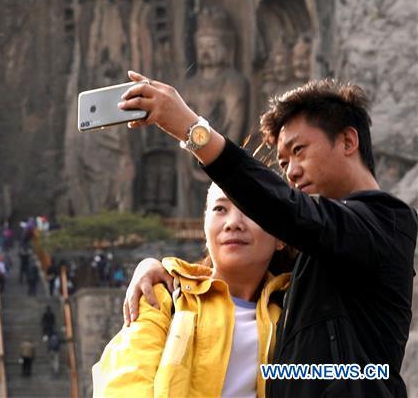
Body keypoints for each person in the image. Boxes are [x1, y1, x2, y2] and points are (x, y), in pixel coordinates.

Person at [119, 73, 417, 397]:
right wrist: (158, 268)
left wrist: (193, 130)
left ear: (348, 141)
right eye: (284, 161)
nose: (291, 172)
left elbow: (291, 213)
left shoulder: (388, 222)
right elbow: (241, 271)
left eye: (299, 150)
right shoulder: (298, 275)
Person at [93, 183, 290, 396]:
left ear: (280, 236)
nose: (233, 223)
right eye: (220, 209)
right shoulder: (165, 297)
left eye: (250, 209)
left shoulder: (292, 314)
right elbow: (124, 382)